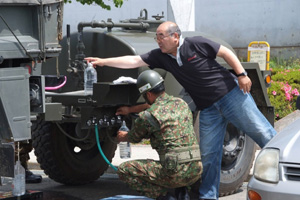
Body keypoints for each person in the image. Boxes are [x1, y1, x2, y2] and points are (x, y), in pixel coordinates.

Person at [85, 21, 276, 200]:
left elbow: (225, 53)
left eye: (161, 36)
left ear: (175, 36)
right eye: (157, 37)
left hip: (231, 96)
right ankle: (208, 196)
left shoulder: (195, 44)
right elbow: (134, 61)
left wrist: (242, 74)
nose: (158, 40)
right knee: (209, 156)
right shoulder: (161, 56)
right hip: (208, 108)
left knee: (265, 135)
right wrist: (103, 62)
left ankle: (290, 177)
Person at [116, 70, 202, 200]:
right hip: (195, 170)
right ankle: (187, 195)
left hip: (174, 172)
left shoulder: (147, 116)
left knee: (124, 169)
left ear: (149, 94)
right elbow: (155, 105)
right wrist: (130, 110)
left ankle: (164, 197)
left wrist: (122, 136)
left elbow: (133, 137)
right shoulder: (181, 104)